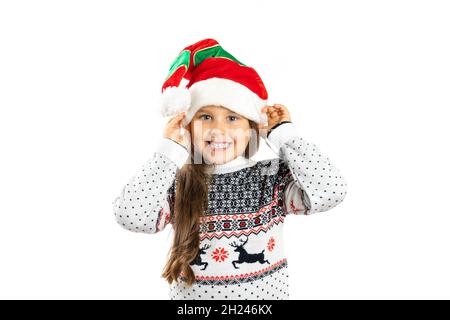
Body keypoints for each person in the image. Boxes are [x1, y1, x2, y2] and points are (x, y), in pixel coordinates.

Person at [112, 38, 347, 300]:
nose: (218, 129)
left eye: (232, 118)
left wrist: (285, 135)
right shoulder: (176, 184)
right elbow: (131, 216)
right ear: (187, 126)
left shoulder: (271, 178)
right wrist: (167, 152)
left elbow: (331, 190)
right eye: (205, 116)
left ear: (251, 128)